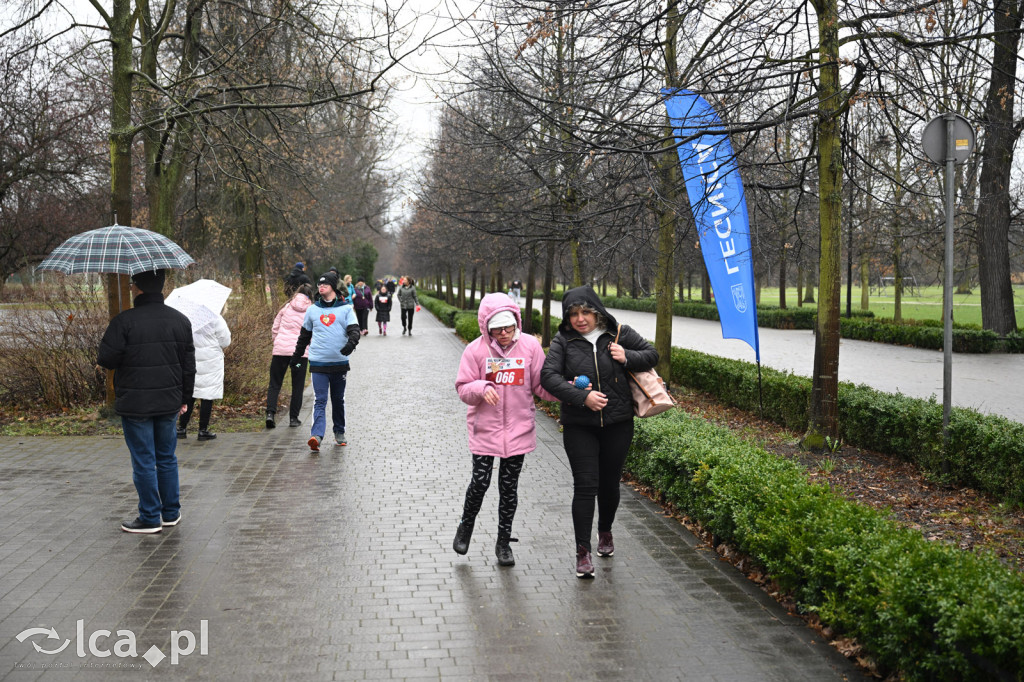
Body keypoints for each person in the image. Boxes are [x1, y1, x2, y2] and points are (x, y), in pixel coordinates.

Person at [540, 285, 658, 578]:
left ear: (597, 312)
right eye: (573, 314)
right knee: (585, 485)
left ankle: (605, 531)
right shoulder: (563, 340)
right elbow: (548, 376)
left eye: (586, 312)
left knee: (609, 484)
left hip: (618, 424)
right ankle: (583, 552)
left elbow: (652, 355)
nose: (580, 319)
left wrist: (626, 356)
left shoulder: (619, 333)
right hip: (579, 425)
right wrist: (583, 397)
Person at [453, 293, 558, 566]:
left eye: (508, 327)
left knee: (509, 488)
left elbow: (541, 386)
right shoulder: (475, 350)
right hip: (485, 429)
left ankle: (503, 543)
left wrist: (569, 391)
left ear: (516, 323)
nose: (503, 333)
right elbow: (463, 388)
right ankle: (466, 525)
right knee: (480, 482)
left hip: (518, 429)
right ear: (486, 327)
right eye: (496, 328)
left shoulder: (530, 347)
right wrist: (481, 387)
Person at [97, 269, 196, 534]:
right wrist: (185, 398)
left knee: (143, 459)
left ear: (137, 287)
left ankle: (150, 517)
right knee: (166, 457)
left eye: (132, 284)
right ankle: (170, 513)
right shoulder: (180, 320)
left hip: (136, 402)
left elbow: (106, 359)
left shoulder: (124, 321)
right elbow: (189, 366)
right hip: (169, 401)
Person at [292, 271, 360, 451]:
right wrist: (296, 357)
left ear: (333, 287)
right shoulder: (312, 310)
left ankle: (339, 431)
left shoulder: (346, 309)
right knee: (320, 400)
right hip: (318, 363)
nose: (321, 287)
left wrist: (350, 344)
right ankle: (316, 436)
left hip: (339, 363)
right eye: (319, 284)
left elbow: (354, 330)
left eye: (325, 284)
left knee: (338, 400)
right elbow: (304, 336)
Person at [178, 298, 232, 441]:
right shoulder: (216, 318)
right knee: (208, 395)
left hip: (192, 359)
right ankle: (203, 430)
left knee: (191, 393)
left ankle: (181, 428)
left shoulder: (189, 319)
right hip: (211, 362)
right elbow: (226, 341)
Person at [266, 283, 314, 429]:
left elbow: (275, 327)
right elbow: (313, 332)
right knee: (297, 386)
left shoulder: (286, 307)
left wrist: (277, 342)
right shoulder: (311, 310)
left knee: (275, 383)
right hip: (299, 355)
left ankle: (270, 414)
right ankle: (293, 418)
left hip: (280, 353)